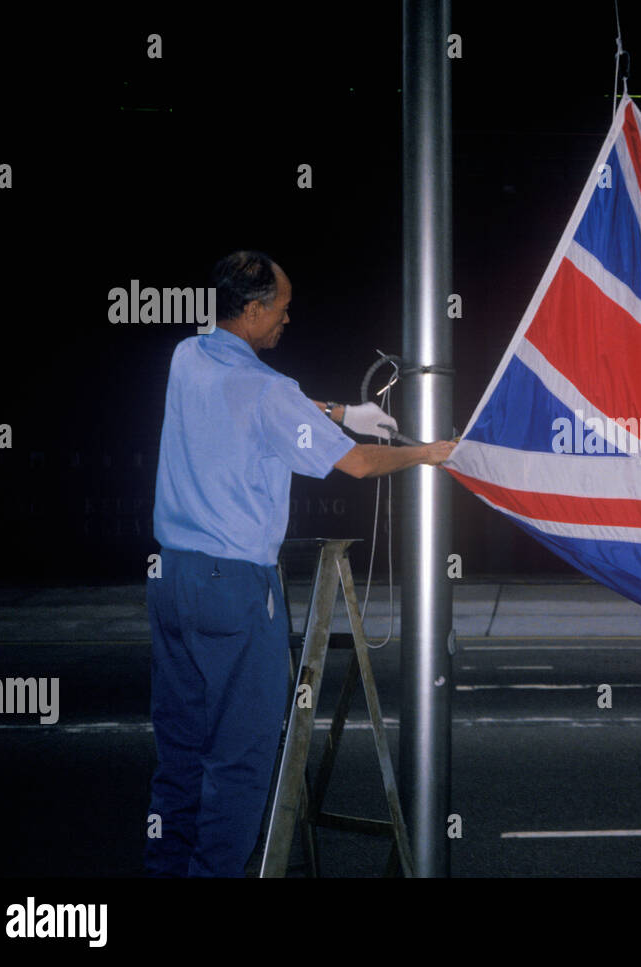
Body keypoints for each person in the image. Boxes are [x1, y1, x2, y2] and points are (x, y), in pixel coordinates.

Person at [145, 250, 454, 877]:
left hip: (171, 581)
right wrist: (431, 453)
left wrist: (343, 414)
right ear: (253, 310)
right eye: (282, 310)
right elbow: (359, 464)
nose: (289, 319)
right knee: (241, 759)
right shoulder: (269, 390)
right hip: (232, 587)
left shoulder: (187, 357)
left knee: (181, 754)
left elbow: (273, 411)